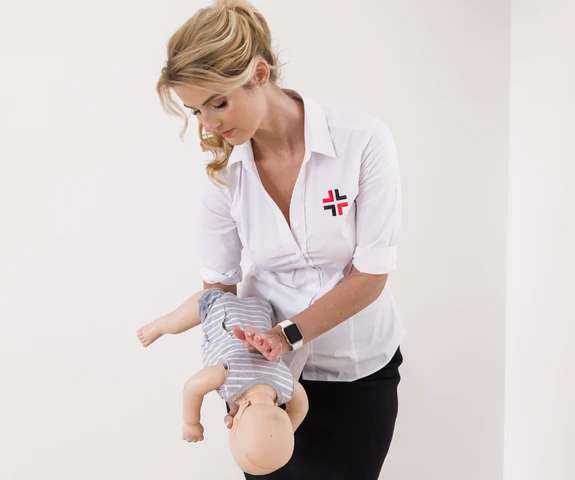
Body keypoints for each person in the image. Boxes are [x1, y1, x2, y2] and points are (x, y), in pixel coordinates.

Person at [154, 1, 405, 479]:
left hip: (359, 371)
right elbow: (219, 293)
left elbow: (370, 275)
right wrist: (232, 371)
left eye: (218, 102)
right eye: (196, 110)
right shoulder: (224, 177)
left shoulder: (363, 142)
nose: (208, 124)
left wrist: (286, 334)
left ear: (259, 74)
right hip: (266, 385)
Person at [136, 288, 309, 476]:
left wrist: (284, 429)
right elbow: (192, 388)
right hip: (219, 308)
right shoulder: (229, 376)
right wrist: (191, 423)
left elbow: (301, 408)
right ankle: (158, 326)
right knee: (174, 323)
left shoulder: (285, 384)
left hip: (262, 310)